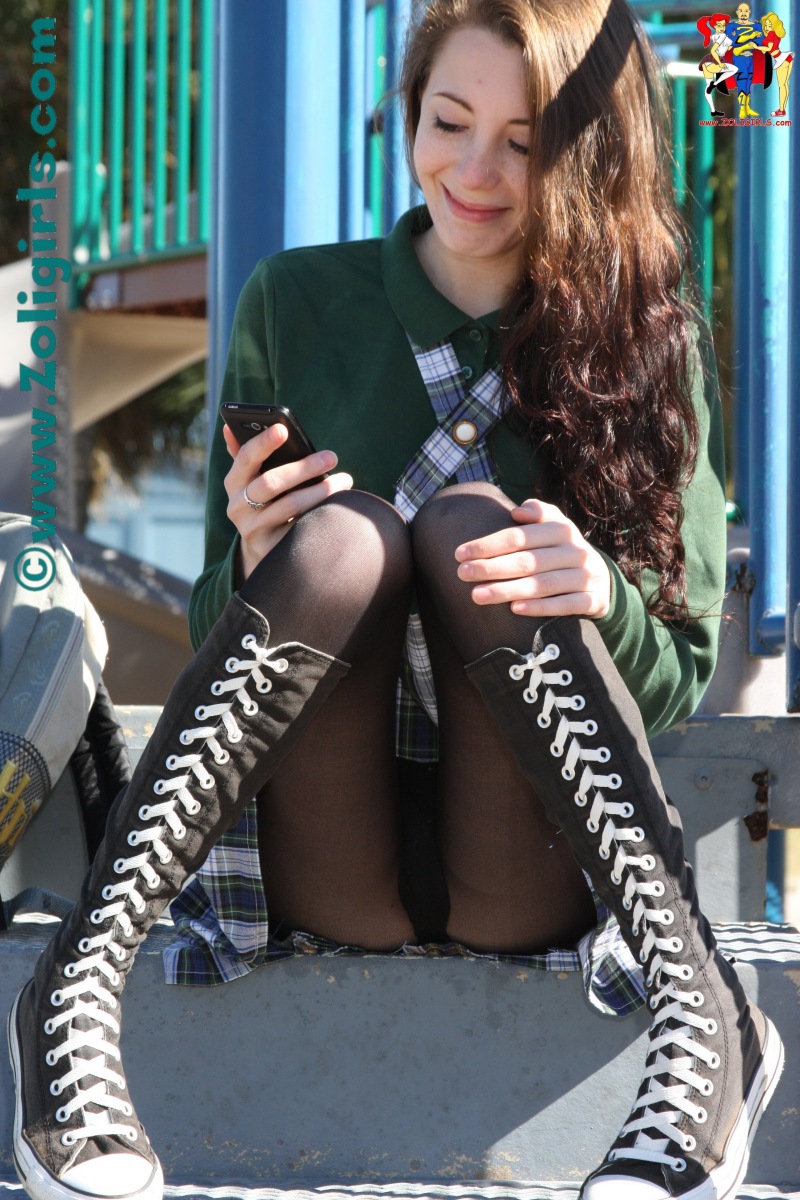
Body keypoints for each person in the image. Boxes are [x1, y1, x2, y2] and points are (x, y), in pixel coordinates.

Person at [8, 1, 785, 1199]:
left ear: (587, 156)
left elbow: (675, 673)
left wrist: (598, 594)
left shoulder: (647, 337)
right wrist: (254, 557)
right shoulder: (294, 300)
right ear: (408, 114)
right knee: (340, 540)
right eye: (447, 121)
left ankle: (701, 1010)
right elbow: (225, 626)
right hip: (325, 854)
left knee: (477, 530)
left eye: (522, 142)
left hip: (528, 855)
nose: (473, 171)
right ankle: (74, 985)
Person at [696, 13, 739, 116]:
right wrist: (720, 63)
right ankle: (715, 84)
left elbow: (728, 46)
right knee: (734, 69)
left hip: (706, 62)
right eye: (719, 25)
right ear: (714, 26)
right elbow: (714, 50)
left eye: (723, 25)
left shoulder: (714, 36)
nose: (722, 27)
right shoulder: (722, 36)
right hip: (714, 60)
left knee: (708, 88)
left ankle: (712, 110)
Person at [760, 11, 793, 114]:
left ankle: (782, 110)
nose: (767, 27)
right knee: (785, 85)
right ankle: (783, 109)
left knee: (782, 85)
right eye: (766, 25)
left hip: (781, 60)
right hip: (786, 58)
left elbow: (769, 48)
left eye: (769, 25)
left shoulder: (771, 34)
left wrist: (756, 46)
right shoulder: (775, 34)